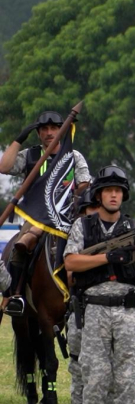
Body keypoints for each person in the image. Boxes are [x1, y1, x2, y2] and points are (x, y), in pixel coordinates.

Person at [63, 166, 135, 404]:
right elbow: (71, 263)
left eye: (118, 191)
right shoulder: (84, 227)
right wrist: (106, 257)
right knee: (95, 371)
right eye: (108, 190)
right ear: (99, 195)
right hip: (95, 308)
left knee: (128, 372)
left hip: (127, 310)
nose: (114, 195)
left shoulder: (132, 227)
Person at [1, 110, 92, 315]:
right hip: (36, 218)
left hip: (67, 215)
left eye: (54, 128)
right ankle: (15, 295)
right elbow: (4, 167)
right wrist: (19, 139)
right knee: (20, 246)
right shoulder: (30, 155)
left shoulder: (73, 156)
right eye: (44, 129)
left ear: (61, 130)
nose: (50, 133)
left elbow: (85, 184)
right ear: (39, 133)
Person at [66, 189, 99, 404]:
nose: (95, 215)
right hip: (82, 313)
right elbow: (68, 271)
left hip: (110, 315)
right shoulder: (79, 235)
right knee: (79, 372)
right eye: (91, 210)